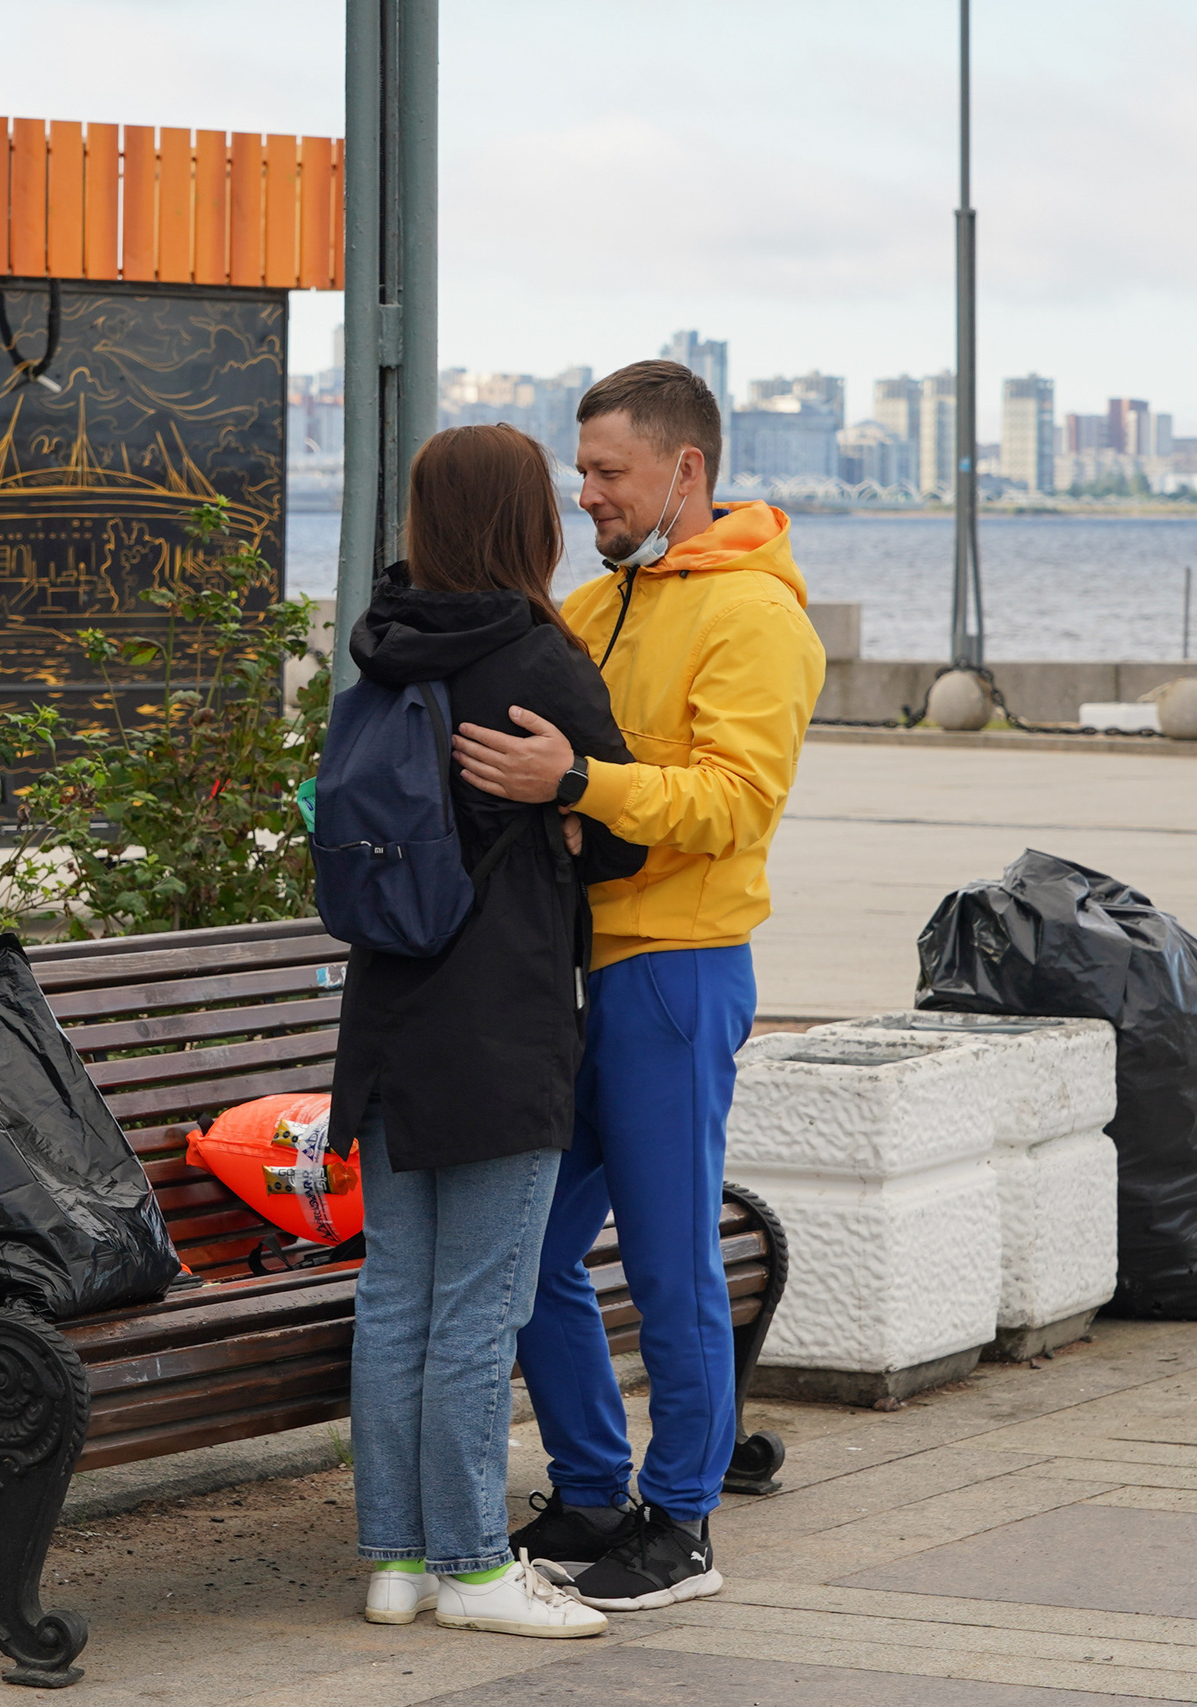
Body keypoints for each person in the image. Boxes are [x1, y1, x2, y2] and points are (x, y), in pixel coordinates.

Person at [452, 360, 827, 1612]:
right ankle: (592, 1491)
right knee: (527, 1256)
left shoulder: (756, 619)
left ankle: (682, 1526)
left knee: (669, 1263)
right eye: (582, 472)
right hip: (587, 976)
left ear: (687, 471)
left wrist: (575, 788)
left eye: (609, 473)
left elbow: (731, 803)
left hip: (678, 974)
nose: (588, 494)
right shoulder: (600, 605)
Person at [328, 423, 646, 1639]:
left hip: (390, 1016)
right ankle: (471, 1569)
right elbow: (618, 832)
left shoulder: (381, 651)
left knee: (396, 1293)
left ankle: (395, 1564)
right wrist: (568, 809)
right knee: (478, 1304)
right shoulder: (538, 660)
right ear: (529, 526)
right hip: (503, 1020)